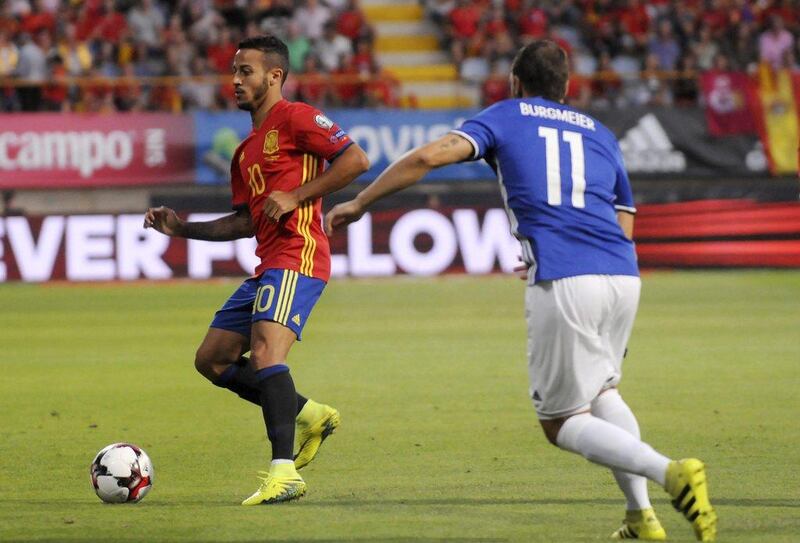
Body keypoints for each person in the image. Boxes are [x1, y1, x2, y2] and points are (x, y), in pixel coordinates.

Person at [326, 40, 717, 541]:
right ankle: (640, 517)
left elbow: (428, 157)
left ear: (515, 83)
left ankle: (671, 473)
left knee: (560, 423)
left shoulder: (506, 116)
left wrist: (360, 202)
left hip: (567, 276)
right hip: (623, 272)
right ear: (567, 88)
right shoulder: (599, 132)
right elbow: (624, 216)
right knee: (603, 392)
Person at [144, 35, 369, 505]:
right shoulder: (245, 152)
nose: (235, 80)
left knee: (267, 353)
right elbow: (246, 221)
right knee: (212, 359)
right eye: (233, 71)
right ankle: (309, 414)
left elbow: (355, 160)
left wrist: (298, 195)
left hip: (299, 254)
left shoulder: (298, 118)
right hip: (267, 265)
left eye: (245, 71)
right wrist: (181, 229)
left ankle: (284, 473)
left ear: (275, 76)